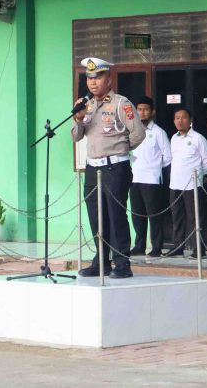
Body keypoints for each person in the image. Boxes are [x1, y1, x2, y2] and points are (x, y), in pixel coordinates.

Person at [71, 57, 145, 279]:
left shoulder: (121, 104)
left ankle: (122, 263)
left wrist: (119, 149)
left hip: (116, 167)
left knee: (116, 216)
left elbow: (138, 134)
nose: (93, 82)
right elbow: (76, 137)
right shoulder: (86, 105)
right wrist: (78, 118)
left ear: (109, 79)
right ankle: (101, 261)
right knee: (96, 216)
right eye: (89, 78)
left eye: (98, 77)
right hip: (93, 169)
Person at [129, 96, 172, 257]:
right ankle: (139, 246)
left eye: (146, 109)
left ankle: (156, 247)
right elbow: (129, 152)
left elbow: (167, 157)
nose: (142, 112)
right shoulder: (133, 131)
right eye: (139, 109)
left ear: (152, 112)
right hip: (135, 179)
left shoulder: (159, 132)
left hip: (152, 180)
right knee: (137, 215)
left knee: (154, 216)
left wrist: (154, 168)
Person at [168, 107, 207, 258]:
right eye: (177, 118)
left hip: (192, 184)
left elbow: (206, 161)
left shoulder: (198, 138)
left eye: (184, 117)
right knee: (177, 217)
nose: (180, 121)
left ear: (190, 120)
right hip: (175, 184)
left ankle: (198, 248)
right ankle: (177, 246)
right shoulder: (173, 138)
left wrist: (200, 177)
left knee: (194, 217)